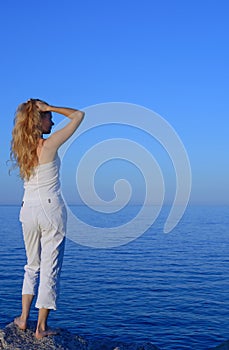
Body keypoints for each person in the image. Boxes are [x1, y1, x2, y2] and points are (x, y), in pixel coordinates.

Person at [10, 99, 85, 339]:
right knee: (49, 268)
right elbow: (78, 115)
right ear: (39, 120)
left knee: (32, 265)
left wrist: (41, 110)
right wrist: (50, 106)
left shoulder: (22, 149)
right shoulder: (49, 145)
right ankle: (41, 328)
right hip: (50, 210)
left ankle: (23, 319)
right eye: (48, 117)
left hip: (27, 210)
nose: (52, 121)